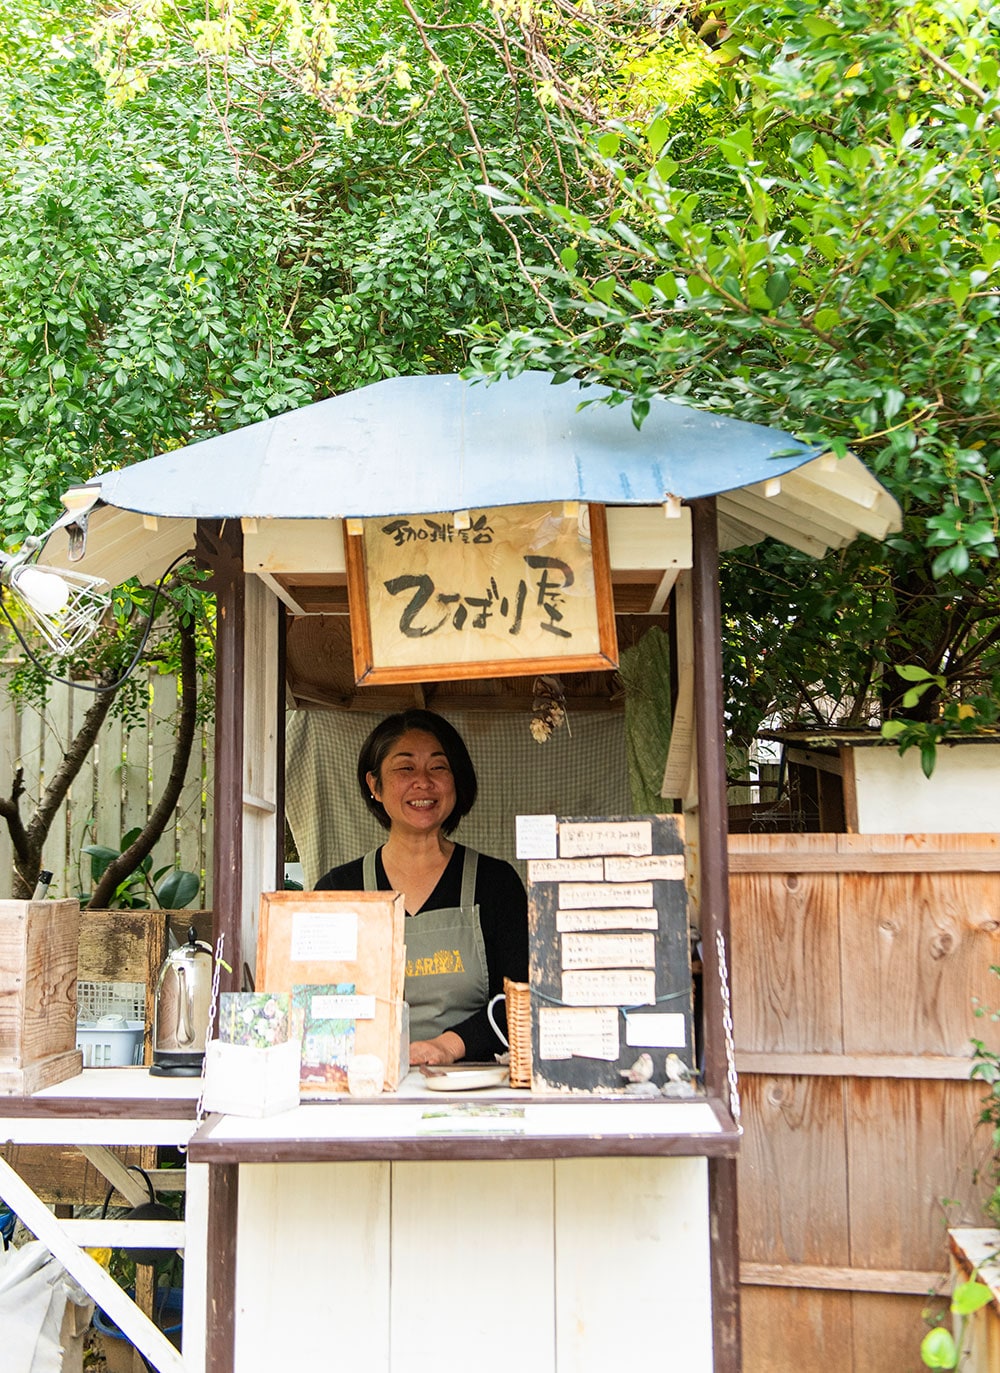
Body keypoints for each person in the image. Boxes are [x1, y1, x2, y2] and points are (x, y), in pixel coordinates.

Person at [316, 709, 528, 1066]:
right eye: (405, 768)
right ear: (374, 785)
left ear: (456, 780)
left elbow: (523, 998)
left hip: (475, 1084)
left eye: (438, 767)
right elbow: (316, 1001)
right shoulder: (338, 890)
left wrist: (448, 1046)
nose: (423, 782)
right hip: (366, 1082)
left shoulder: (496, 883)